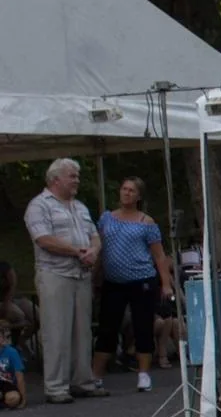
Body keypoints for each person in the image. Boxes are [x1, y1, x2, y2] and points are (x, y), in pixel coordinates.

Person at [24, 158, 105, 403]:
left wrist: (93, 250)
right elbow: (43, 239)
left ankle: (83, 381)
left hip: (81, 275)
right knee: (56, 331)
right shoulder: (39, 206)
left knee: (82, 332)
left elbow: (95, 235)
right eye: (72, 176)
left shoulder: (79, 206)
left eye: (77, 176)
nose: (76, 181)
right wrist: (77, 251)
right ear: (55, 179)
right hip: (54, 274)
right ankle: (56, 387)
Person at [92, 177, 174, 394]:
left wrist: (165, 283)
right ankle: (96, 375)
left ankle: (144, 373)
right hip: (113, 281)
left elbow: (159, 255)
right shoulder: (107, 219)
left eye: (131, 190)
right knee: (107, 327)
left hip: (141, 279)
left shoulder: (146, 223)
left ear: (138, 196)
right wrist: (94, 275)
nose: (126, 193)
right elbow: (100, 248)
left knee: (143, 326)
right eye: (124, 189)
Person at [0, 260, 40, 363]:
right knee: (19, 316)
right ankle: (13, 347)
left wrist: (8, 300)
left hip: (15, 298)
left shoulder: (4, 265)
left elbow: (13, 281)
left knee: (38, 317)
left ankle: (21, 342)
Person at [0, 323, 25, 410]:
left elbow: (19, 376)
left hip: (8, 384)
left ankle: (4, 403)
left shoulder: (12, 352)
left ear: (3, 339)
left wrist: (23, 399)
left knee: (14, 398)